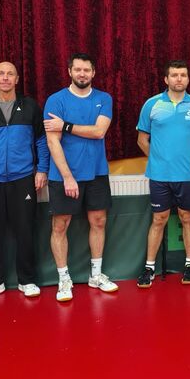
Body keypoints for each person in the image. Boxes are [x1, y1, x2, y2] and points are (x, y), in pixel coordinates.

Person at [0, 62, 50, 302]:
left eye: (10, 74)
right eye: (1, 74)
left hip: (23, 178)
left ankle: (27, 280)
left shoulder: (30, 106)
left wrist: (42, 170)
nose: (5, 77)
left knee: (25, 231)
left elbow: (41, 141)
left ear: (17, 79)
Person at [43, 53, 118, 302]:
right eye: (78, 69)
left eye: (86, 70)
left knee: (98, 221)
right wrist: (67, 176)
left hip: (96, 173)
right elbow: (52, 142)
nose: (82, 74)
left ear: (93, 73)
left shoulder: (103, 99)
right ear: (70, 72)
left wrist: (65, 126)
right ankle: (64, 278)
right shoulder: (55, 100)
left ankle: (96, 275)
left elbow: (99, 132)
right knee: (60, 225)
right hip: (63, 175)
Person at [136, 61, 190, 288]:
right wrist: (158, 158)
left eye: (183, 75)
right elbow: (142, 140)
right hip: (159, 175)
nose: (179, 79)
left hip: (186, 175)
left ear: (188, 79)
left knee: (187, 218)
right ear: (166, 79)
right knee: (159, 219)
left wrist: (186, 156)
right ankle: (149, 268)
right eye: (174, 75)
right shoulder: (152, 104)